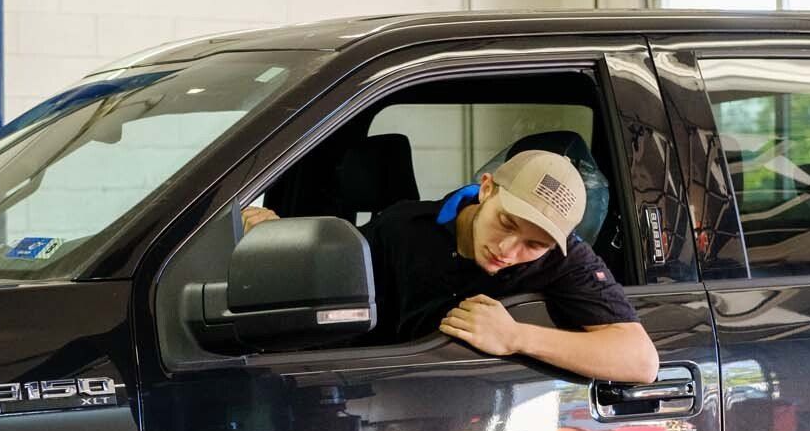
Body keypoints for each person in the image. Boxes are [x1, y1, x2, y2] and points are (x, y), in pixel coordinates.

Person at [242, 149, 659, 384]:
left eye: (534, 243)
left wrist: (516, 337)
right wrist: (283, 235)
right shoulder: (404, 227)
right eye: (506, 224)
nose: (509, 250)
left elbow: (640, 360)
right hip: (383, 396)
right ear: (487, 188)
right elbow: (333, 277)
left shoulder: (565, 260)